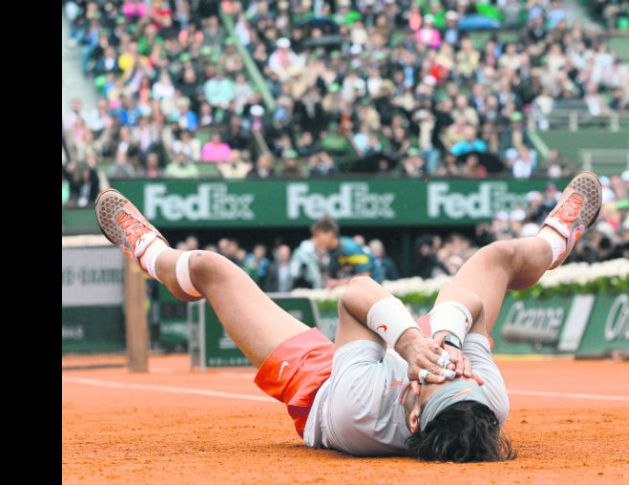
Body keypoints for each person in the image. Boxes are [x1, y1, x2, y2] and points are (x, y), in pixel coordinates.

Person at [93, 171, 602, 462]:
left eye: (432, 381)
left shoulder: (359, 415)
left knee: (209, 268)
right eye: (455, 374)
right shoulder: (483, 396)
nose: (445, 371)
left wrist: (405, 343)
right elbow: (471, 303)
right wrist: (445, 340)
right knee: (498, 258)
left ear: (413, 414)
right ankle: (556, 241)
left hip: (326, 383)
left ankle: (150, 253)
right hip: (408, 358)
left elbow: (356, 295)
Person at [310, 216, 378, 288]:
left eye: (317, 236)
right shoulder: (329, 251)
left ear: (330, 233)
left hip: (375, 287)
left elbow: (365, 277)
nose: (314, 240)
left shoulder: (350, 248)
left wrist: (338, 283)